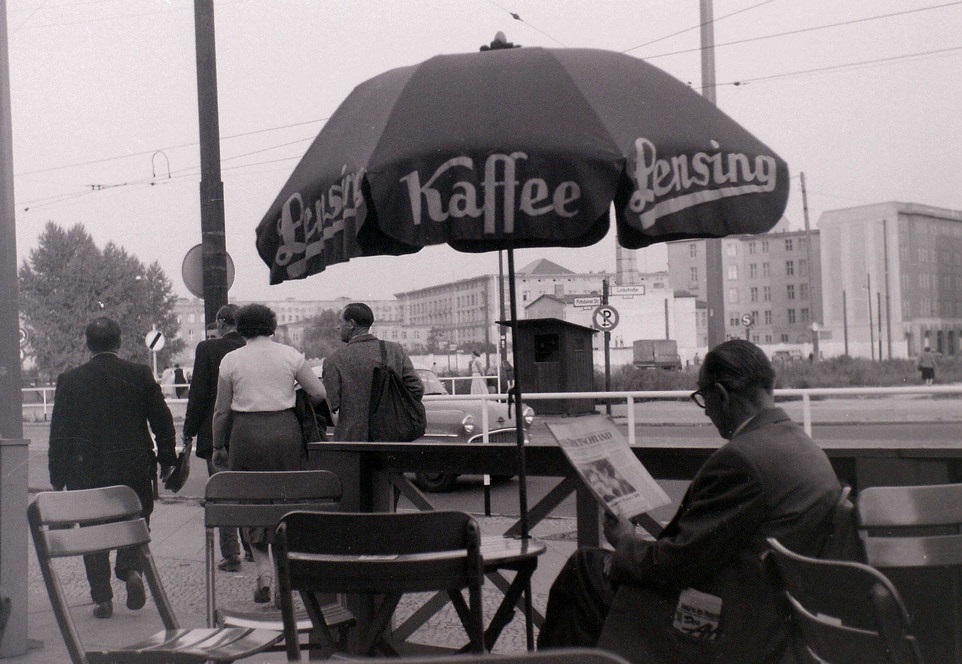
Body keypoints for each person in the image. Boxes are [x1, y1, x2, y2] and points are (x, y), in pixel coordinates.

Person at [537, 340, 844, 664]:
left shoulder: (742, 459)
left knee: (583, 569)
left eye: (703, 398)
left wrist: (626, 541)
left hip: (722, 628)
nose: (707, 411)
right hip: (771, 617)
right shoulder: (804, 447)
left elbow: (678, 563)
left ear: (722, 396)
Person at [48, 317, 177, 620]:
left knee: (92, 531)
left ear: (88, 344)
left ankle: (102, 598)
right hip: (134, 468)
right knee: (137, 519)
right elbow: (163, 419)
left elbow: (60, 431)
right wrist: (167, 458)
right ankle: (130, 568)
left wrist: (58, 474)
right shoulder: (140, 374)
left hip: (86, 471)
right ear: (119, 342)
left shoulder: (70, 379)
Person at [211, 303, 326, 603]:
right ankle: (284, 580)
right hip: (285, 432)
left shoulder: (231, 360)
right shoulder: (290, 355)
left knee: (252, 500)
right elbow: (319, 393)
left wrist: (218, 445)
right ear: (272, 325)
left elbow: (222, 411)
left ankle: (263, 571)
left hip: (245, 435)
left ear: (241, 326)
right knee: (285, 501)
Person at [182, 304, 247, 572]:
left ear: (221, 324)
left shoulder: (207, 350)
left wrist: (189, 430)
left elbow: (198, 394)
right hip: (248, 430)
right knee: (251, 490)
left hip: (216, 432)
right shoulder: (250, 348)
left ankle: (231, 554)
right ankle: (255, 548)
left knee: (223, 493)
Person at [323, 302, 423, 442]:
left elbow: (330, 403)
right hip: (392, 438)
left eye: (341, 321)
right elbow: (417, 388)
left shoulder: (335, 359)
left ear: (351, 324)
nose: (338, 326)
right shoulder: (394, 350)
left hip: (352, 441)